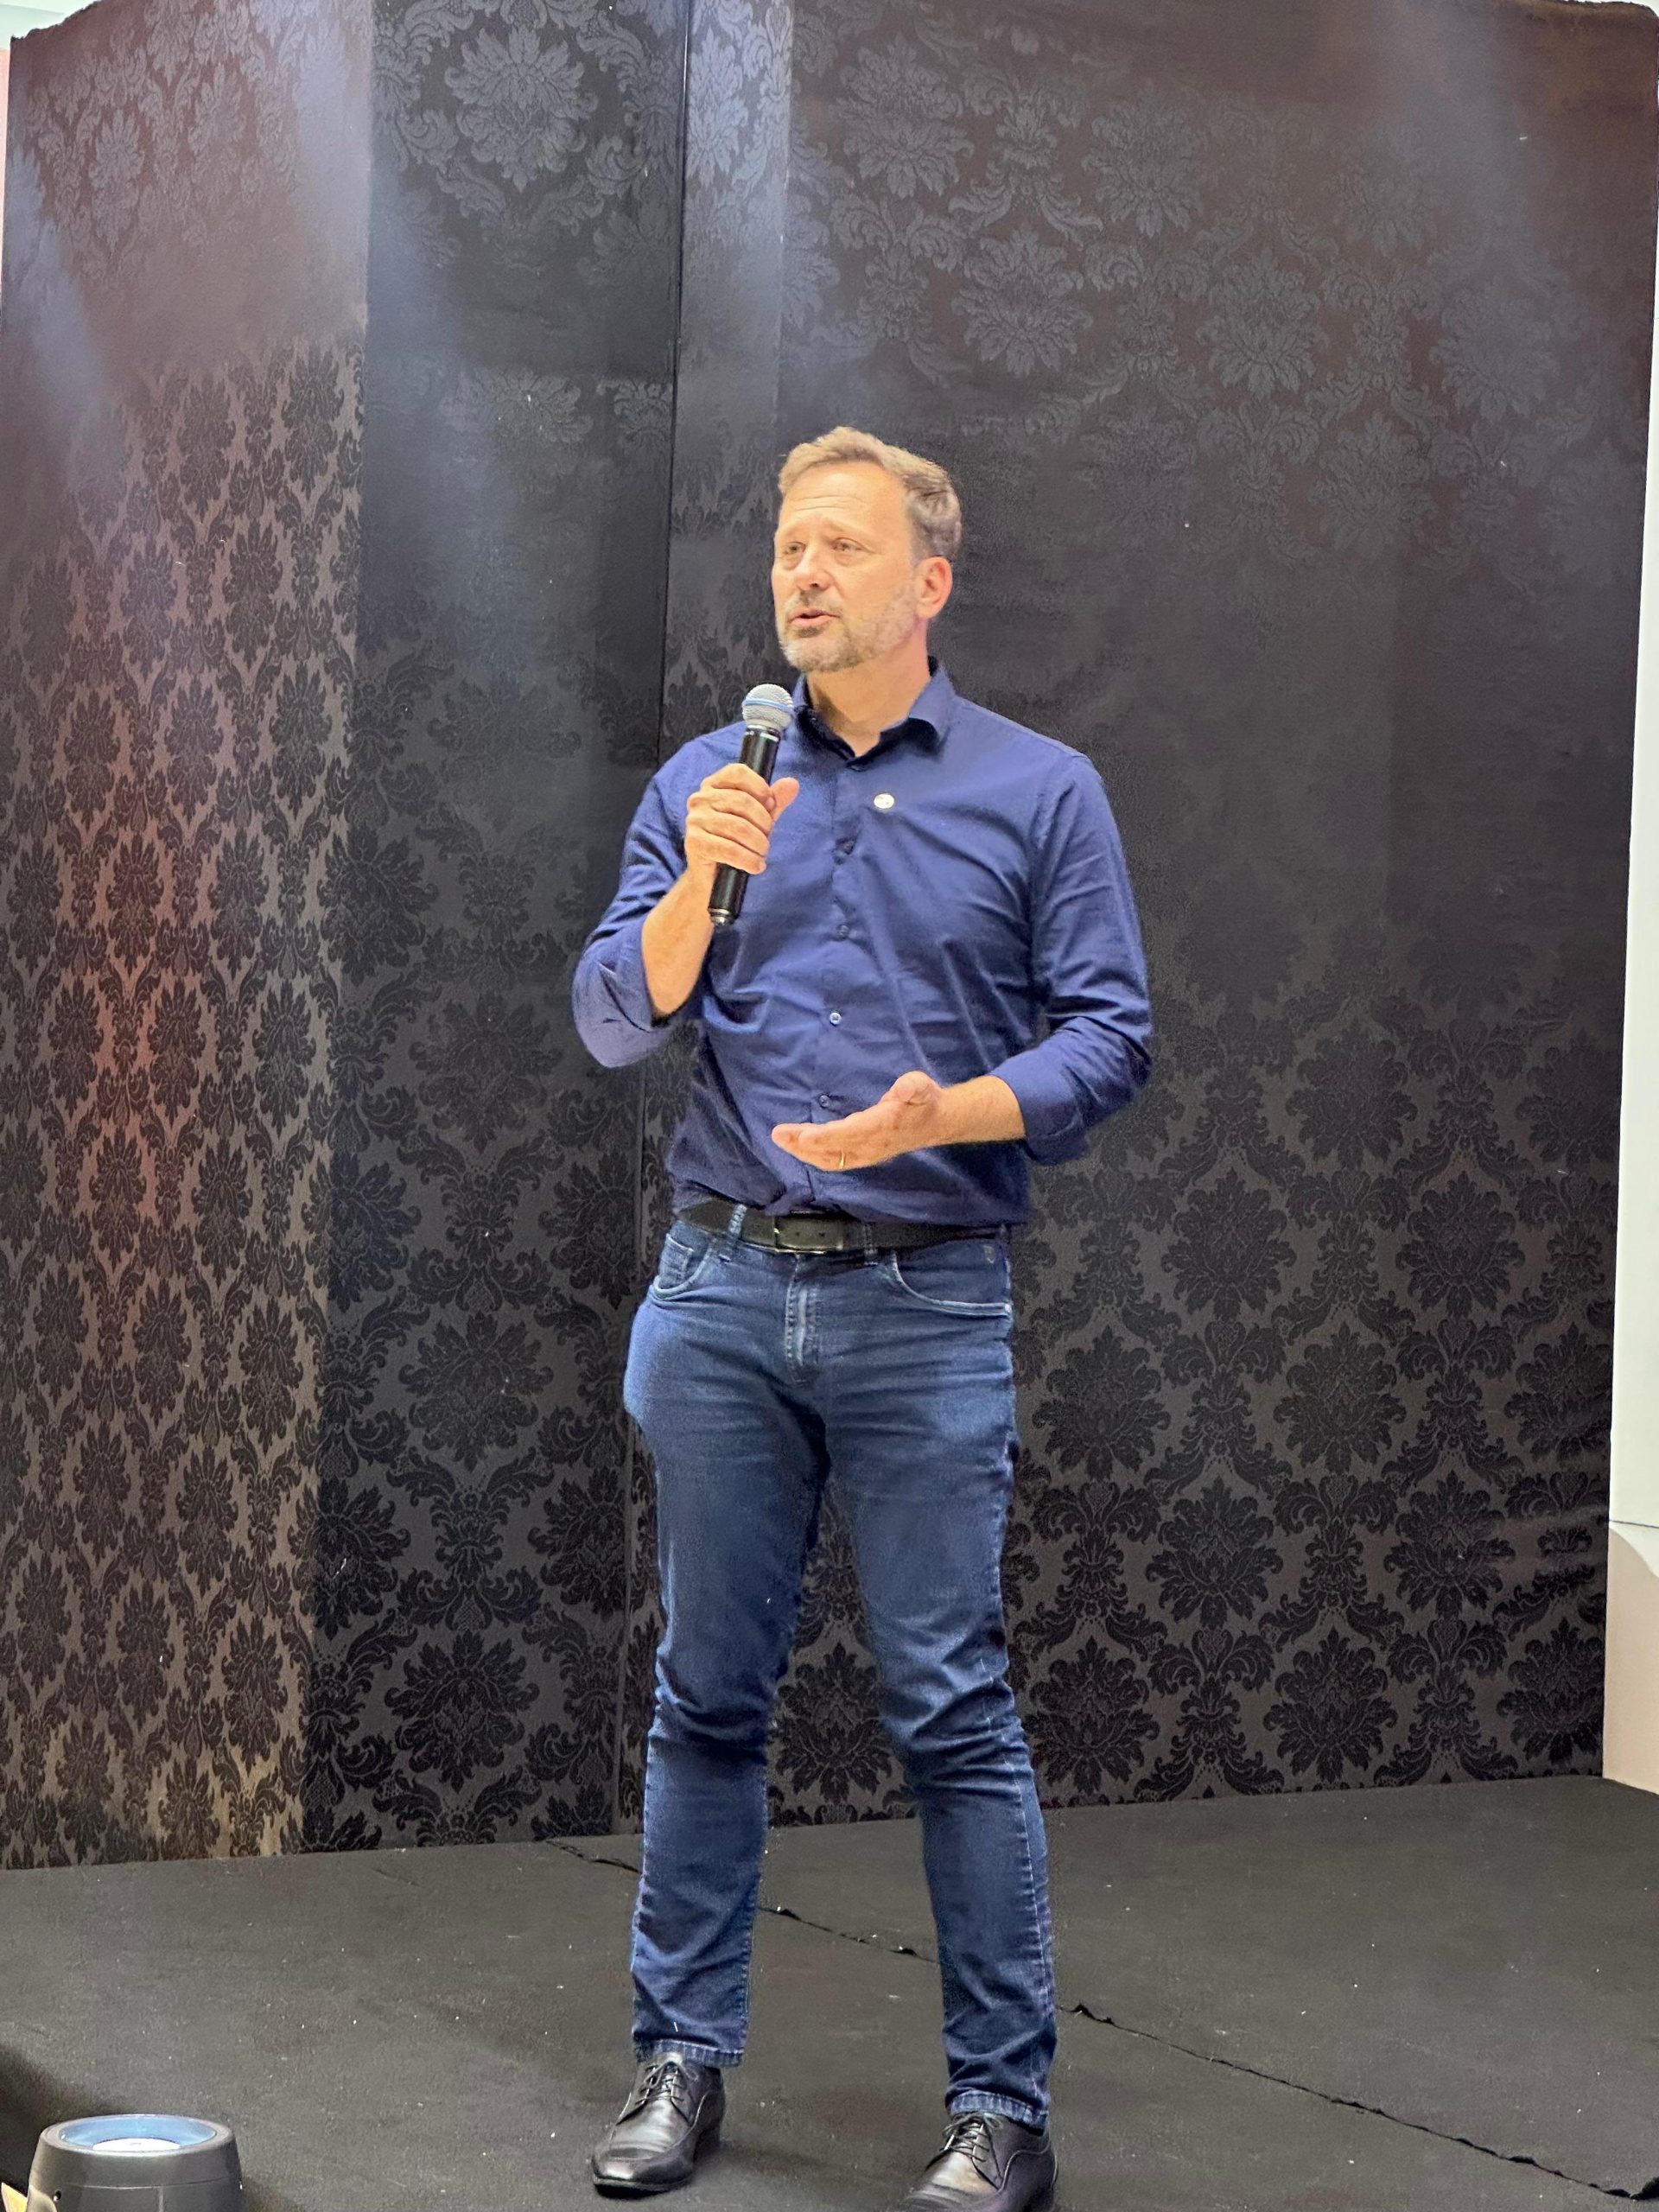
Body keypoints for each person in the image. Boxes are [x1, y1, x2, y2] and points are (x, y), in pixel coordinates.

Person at [571, 426, 1152, 2209]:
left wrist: (945, 1112)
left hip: (925, 1298)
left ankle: (1002, 2111)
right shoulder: (712, 779)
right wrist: (700, 877)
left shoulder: (1038, 789)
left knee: (951, 1705)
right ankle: (679, 2059)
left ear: (929, 582)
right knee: (704, 1696)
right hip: (723, 1287)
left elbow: (1110, 1034)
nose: (803, 574)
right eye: (787, 550)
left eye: (841, 547)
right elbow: (612, 1014)